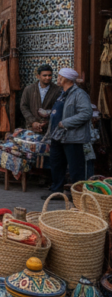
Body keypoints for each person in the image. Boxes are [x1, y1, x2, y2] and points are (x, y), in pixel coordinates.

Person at [43, 68, 92, 199]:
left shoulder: (79, 94)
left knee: (76, 167)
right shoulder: (62, 93)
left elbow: (86, 113)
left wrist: (65, 123)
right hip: (58, 136)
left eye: (59, 76)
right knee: (57, 164)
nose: (57, 78)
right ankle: (57, 191)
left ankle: (78, 195)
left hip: (72, 137)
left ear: (65, 79)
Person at [20, 64, 58, 133]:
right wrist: (33, 121)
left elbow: (58, 109)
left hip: (50, 128)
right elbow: (24, 106)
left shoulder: (57, 90)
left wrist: (47, 121)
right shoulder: (29, 89)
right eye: (44, 75)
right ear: (38, 76)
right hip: (32, 127)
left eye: (49, 75)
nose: (47, 77)